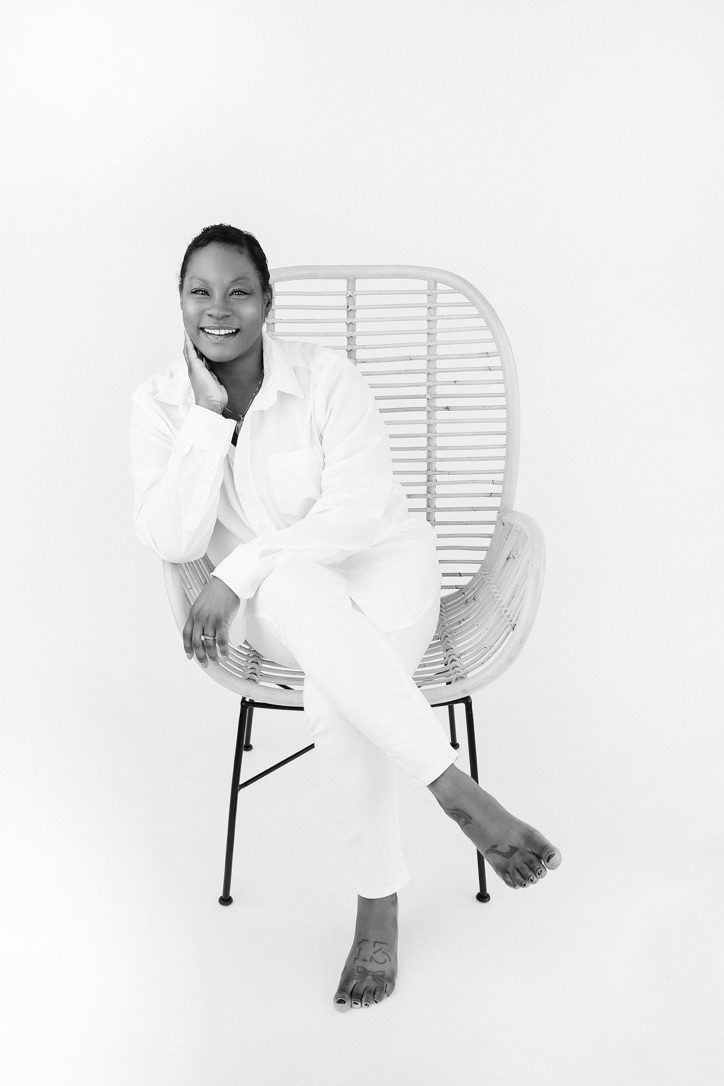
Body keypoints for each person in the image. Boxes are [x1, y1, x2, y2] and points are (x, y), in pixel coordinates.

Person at [128, 223, 562, 1013]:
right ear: (179, 301)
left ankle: (377, 906)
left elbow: (358, 514)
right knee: (293, 588)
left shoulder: (328, 378)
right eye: (200, 292)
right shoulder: (160, 405)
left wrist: (237, 570)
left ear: (268, 302)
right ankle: (455, 789)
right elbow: (172, 539)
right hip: (274, 608)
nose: (218, 309)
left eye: (239, 291)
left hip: (384, 573)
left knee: (335, 692)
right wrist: (208, 419)